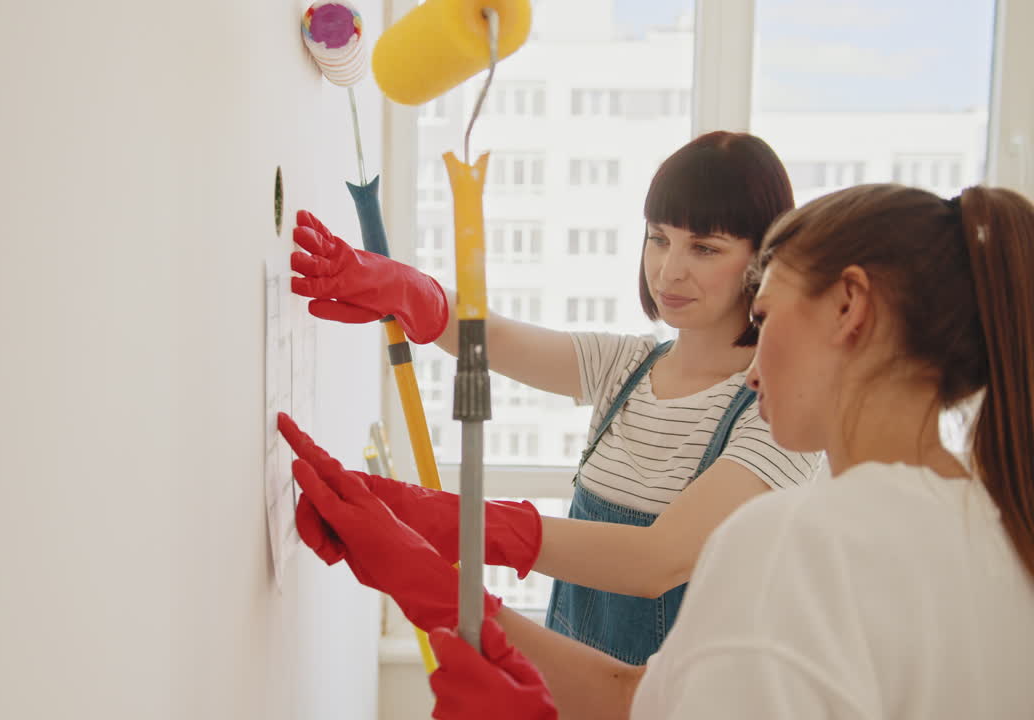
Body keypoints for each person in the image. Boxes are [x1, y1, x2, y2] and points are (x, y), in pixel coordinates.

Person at [354, 181, 1034, 719]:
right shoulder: (1006, 538)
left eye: (763, 316)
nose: (754, 362)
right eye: (657, 238)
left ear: (849, 306)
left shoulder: (792, 543)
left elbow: (655, 569)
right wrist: (452, 596)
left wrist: (467, 536)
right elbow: (637, 701)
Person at [288, 130, 819, 661]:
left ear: (762, 261)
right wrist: (406, 291)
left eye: (704, 248)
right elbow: (493, 339)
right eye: (659, 238)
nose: (669, 269)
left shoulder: (779, 416)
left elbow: (656, 561)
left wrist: (468, 525)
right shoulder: (627, 368)